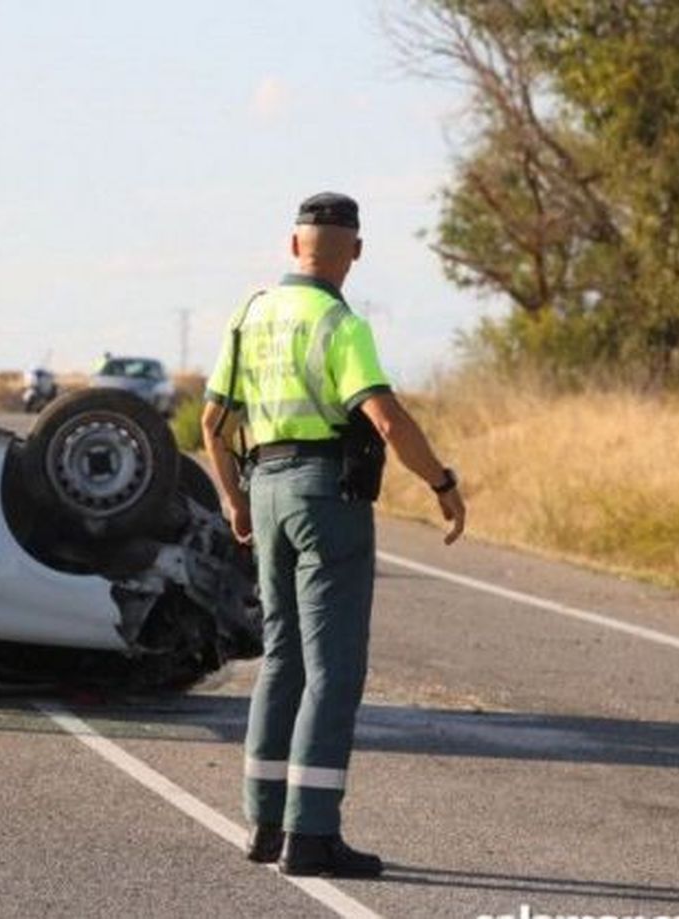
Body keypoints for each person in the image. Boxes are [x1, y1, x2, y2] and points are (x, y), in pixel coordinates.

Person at [200, 192, 467, 879]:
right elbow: (383, 417)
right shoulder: (339, 324)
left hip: (264, 489)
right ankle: (312, 835)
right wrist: (440, 482)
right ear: (355, 251)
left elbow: (211, 423)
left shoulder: (250, 313)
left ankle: (263, 822)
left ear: (294, 247)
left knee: (282, 655)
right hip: (326, 496)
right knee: (335, 666)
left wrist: (233, 500)